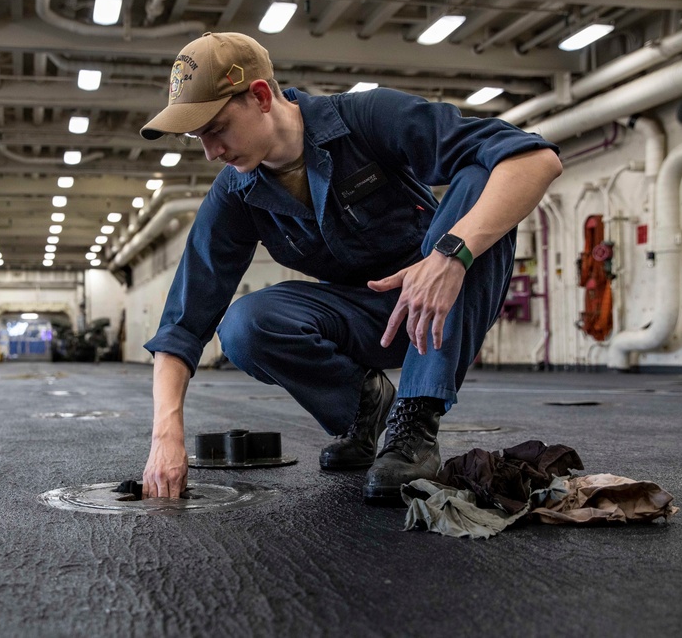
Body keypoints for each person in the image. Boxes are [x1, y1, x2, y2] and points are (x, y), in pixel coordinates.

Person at [136, 32, 562, 502]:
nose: (211, 151)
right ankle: (365, 405)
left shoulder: (367, 117)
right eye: (199, 138)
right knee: (245, 324)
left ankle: (413, 422)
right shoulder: (237, 193)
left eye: (215, 128)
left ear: (259, 96)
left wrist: (449, 255)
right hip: (369, 320)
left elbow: (534, 158)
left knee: (482, 175)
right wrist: (165, 436)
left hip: (448, 302)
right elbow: (183, 322)